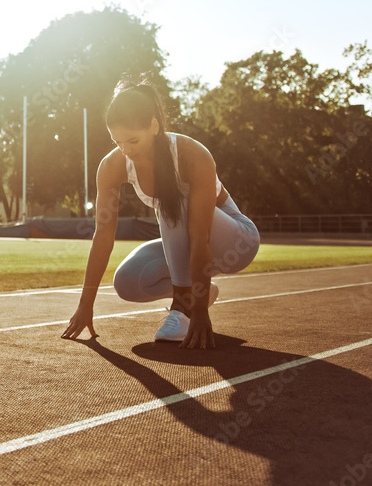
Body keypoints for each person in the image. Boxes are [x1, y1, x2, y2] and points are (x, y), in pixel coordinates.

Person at [61, 80, 259, 348]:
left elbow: (201, 236)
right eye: (117, 141)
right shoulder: (112, 166)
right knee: (128, 281)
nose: (126, 149)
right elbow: (104, 234)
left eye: (133, 140)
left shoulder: (193, 155)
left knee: (174, 201)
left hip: (236, 242)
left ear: (154, 126)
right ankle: (201, 292)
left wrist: (199, 311)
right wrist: (85, 305)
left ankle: (182, 306)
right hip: (188, 245)